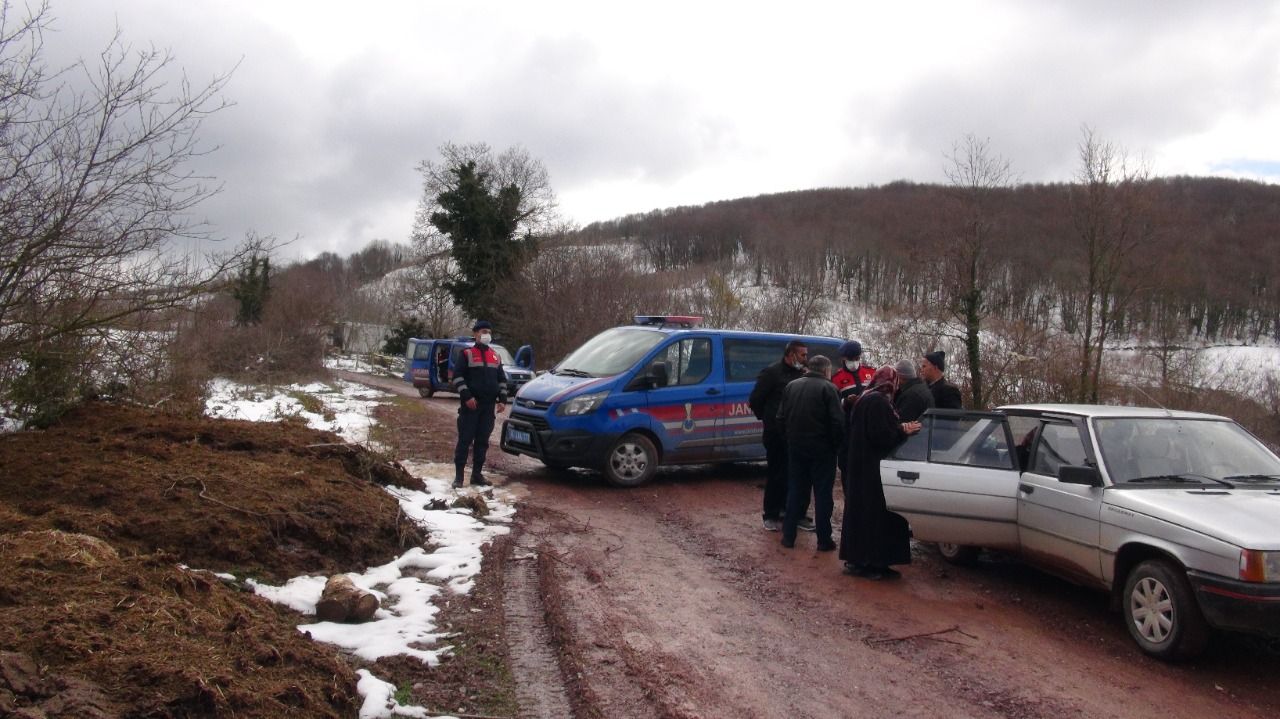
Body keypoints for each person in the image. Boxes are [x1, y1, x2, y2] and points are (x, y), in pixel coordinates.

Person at [839, 365, 922, 580]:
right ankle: (873, 563)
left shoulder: (866, 398)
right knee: (875, 518)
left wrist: (898, 428)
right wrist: (903, 431)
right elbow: (882, 436)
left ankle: (859, 560)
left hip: (860, 466)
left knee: (861, 515)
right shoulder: (879, 402)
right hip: (874, 470)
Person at [777, 355, 843, 551]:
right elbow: (838, 422)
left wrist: (788, 439)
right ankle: (824, 539)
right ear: (826, 370)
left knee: (795, 491)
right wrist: (837, 445)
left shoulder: (791, 386)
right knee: (823, 495)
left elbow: (780, 417)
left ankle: (788, 536)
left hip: (796, 447)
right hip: (823, 450)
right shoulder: (829, 388)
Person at [749, 340, 813, 532]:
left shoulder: (805, 374)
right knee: (777, 473)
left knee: (800, 475)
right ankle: (771, 514)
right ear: (791, 355)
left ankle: (796, 513)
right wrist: (769, 420)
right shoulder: (772, 373)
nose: (806, 358)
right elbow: (755, 400)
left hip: (798, 434)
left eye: (806, 355)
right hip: (776, 434)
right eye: (802, 355)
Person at [451, 320, 509, 488]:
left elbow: (502, 380)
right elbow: (457, 377)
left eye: (489, 332)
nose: (487, 335)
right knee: (465, 441)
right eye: (484, 331)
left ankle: (476, 475)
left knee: (482, 442)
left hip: (488, 407)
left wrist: (502, 400)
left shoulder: (495, 356)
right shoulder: (466, 354)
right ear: (475, 334)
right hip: (471, 406)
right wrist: (467, 396)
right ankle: (459, 477)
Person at [831, 340, 876, 407]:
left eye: (857, 358)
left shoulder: (871, 372)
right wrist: (846, 401)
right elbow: (833, 403)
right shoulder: (836, 378)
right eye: (850, 359)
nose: (854, 361)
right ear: (843, 358)